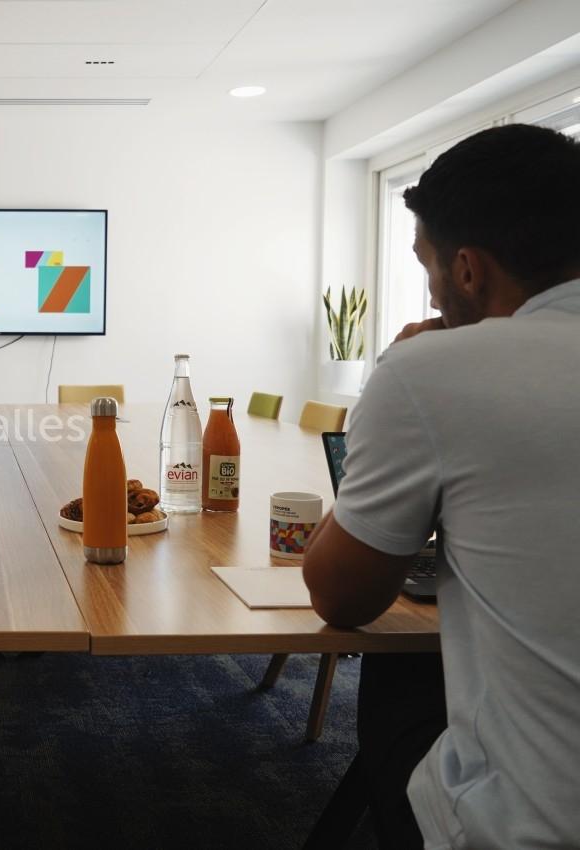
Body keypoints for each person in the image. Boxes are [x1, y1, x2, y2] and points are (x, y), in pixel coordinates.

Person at [303, 124, 580, 848]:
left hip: (534, 825)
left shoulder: (434, 367)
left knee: (406, 669)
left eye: (426, 266)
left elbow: (341, 596)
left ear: (466, 270)